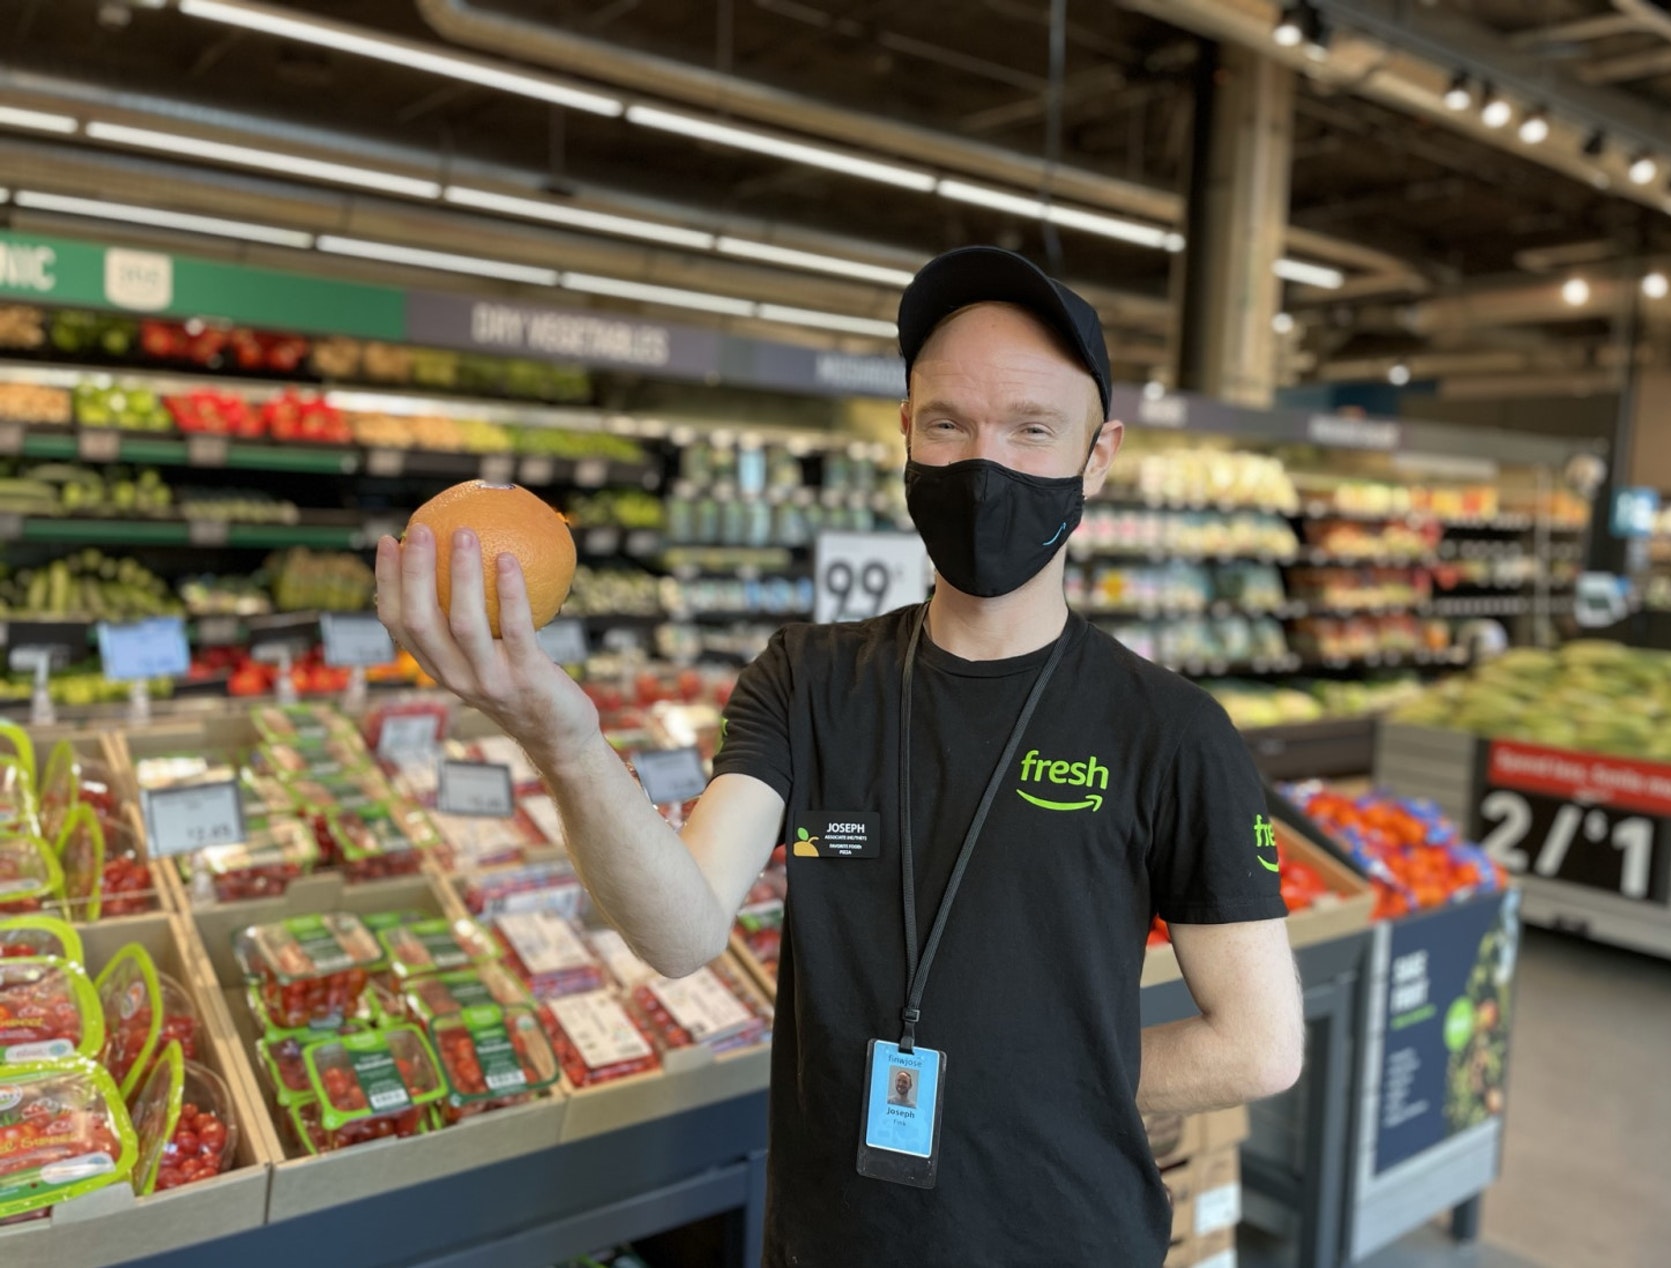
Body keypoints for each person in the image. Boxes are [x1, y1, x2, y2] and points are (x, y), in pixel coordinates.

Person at [375, 244, 1304, 1267]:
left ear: (1099, 453)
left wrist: (1027, 1082)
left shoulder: (1172, 730)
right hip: (827, 1239)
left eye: (1032, 429)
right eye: (948, 422)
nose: (983, 462)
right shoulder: (811, 678)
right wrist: (565, 738)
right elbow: (681, 928)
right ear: (905, 432)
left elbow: (1259, 1043)